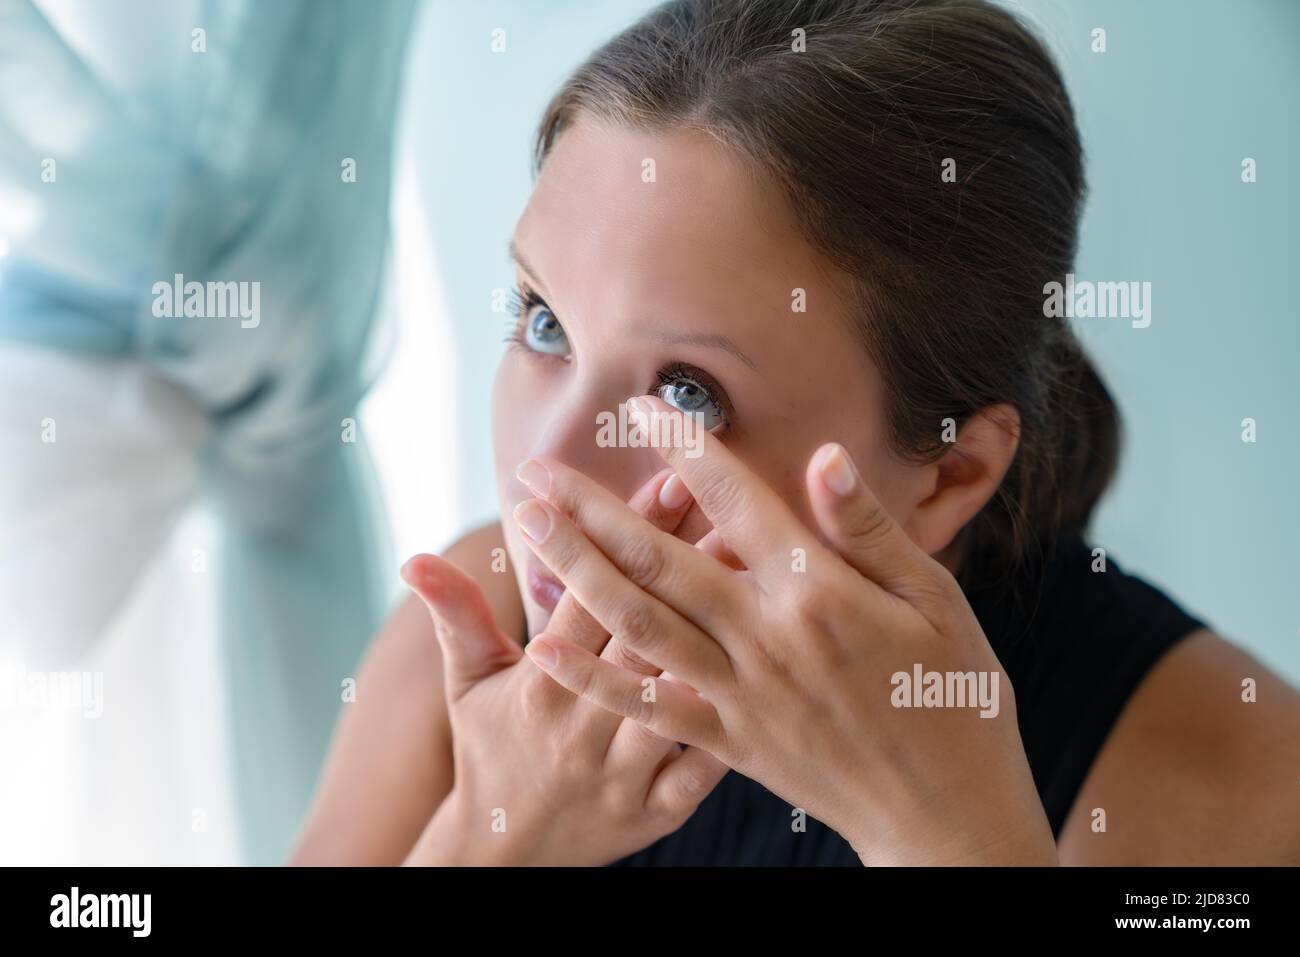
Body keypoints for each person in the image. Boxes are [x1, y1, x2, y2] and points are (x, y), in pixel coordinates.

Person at [290, 0, 1300, 866]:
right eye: (545, 320)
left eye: (688, 396)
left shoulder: (1231, 771)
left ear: (948, 473)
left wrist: (953, 840)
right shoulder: (474, 626)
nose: (545, 472)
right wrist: (489, 836)